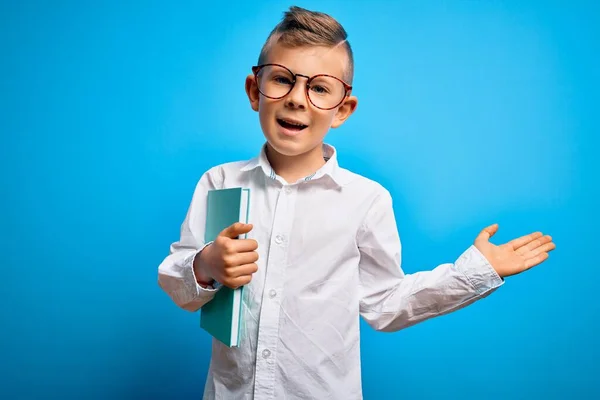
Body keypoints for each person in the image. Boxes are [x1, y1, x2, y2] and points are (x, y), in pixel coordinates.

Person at [157, 6, 556, 399]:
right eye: (282, 80)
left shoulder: (367, 200)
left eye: (318, 88)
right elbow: (179, 287)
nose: (297, 99)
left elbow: (386, 304)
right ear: (253, 91)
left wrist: (476, 272)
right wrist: (206, 263)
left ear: (343, 109)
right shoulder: (218, 182)